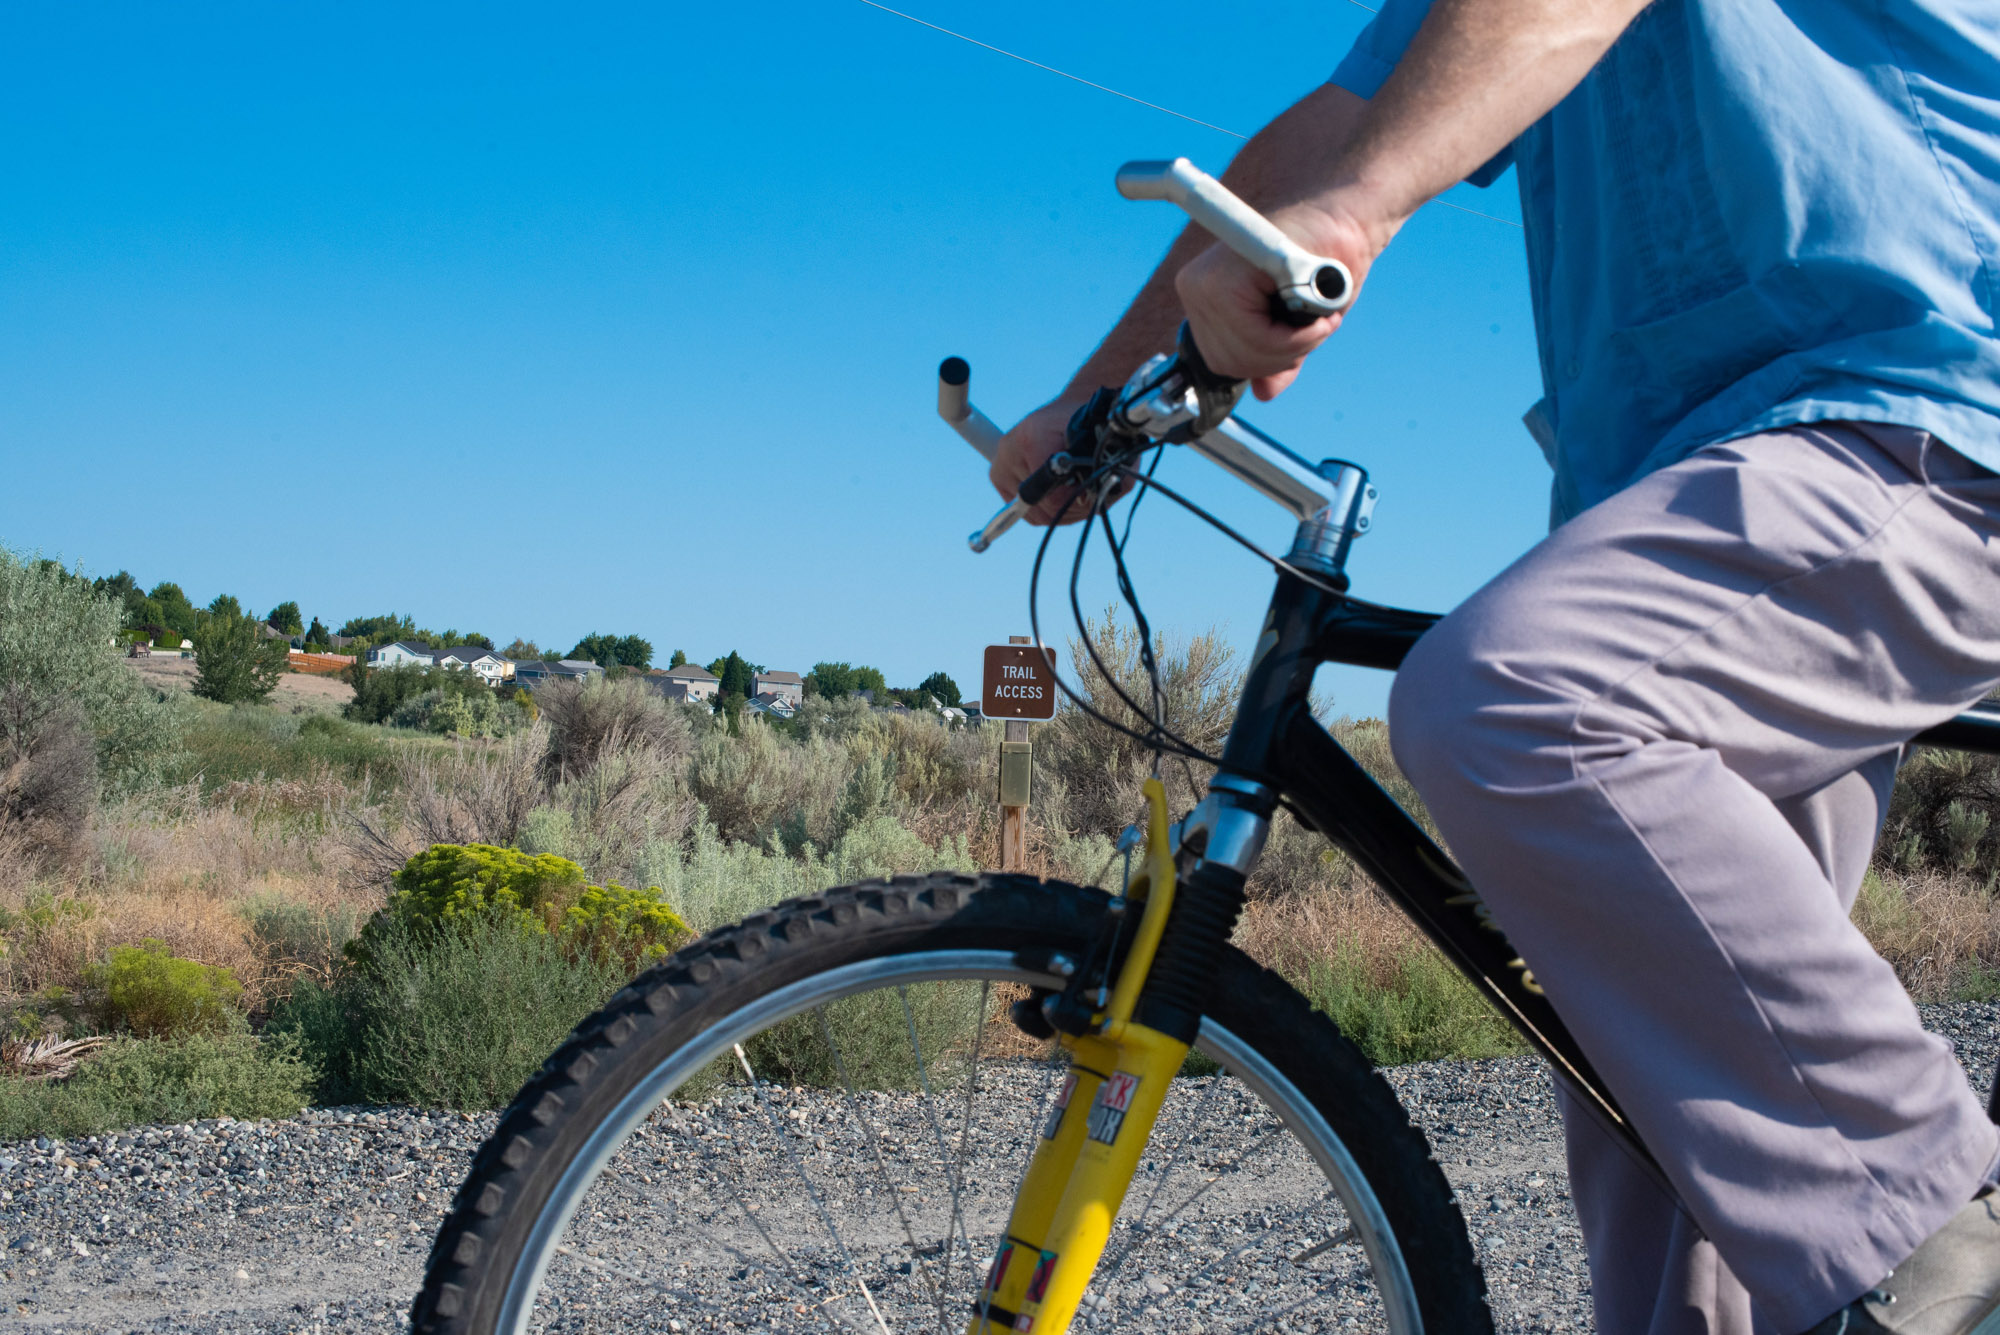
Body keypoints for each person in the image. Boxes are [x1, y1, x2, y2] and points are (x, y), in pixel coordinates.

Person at [989, 1, 2000, 1331]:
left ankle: (1947, 1258)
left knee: (1522, 701)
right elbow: (1335, 123)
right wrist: (1096, 400)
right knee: (1671, 1086)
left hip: (1924, 399)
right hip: (1692, 490)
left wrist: (1357, 209)